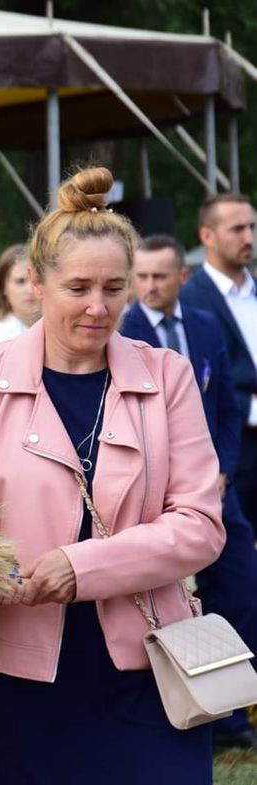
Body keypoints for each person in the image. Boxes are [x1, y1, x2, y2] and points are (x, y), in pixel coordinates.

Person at [0, 167, 225, 784]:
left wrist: (80, 567)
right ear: (36, 284)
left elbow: (200, 526)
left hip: (151, 668)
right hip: (19, 671)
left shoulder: (167, 374)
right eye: (79, 287)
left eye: (114, 288)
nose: (99, 307)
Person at [122, 233, 257, 749]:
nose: (149, 287)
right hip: (150, 495)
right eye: (142, 277)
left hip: (217, 489)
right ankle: (165, 713)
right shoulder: (123, 330)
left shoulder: (203, 325)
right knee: (158, 605)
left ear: (183, 277)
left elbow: (225, 406)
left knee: (241, 592)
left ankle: (229, 716)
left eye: (160, 276)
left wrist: (221, 470)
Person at [181, 195, 257, 530]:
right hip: (232, 457)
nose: (249, 238)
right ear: (207, 236)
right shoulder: (189, 300)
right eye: (237, 229)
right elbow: (195, 384)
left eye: (253, 227)